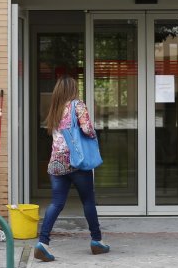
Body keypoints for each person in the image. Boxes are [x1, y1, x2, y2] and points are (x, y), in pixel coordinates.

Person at [34, 75, 110, 262]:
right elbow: (87, 129)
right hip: (77, 162)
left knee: (56, 203)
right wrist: (93, 135)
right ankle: (96, 241)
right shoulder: (78, 105)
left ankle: (42, 243)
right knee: (88, 201)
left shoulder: (55, 108)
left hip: (56, 163)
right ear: (73, 89)